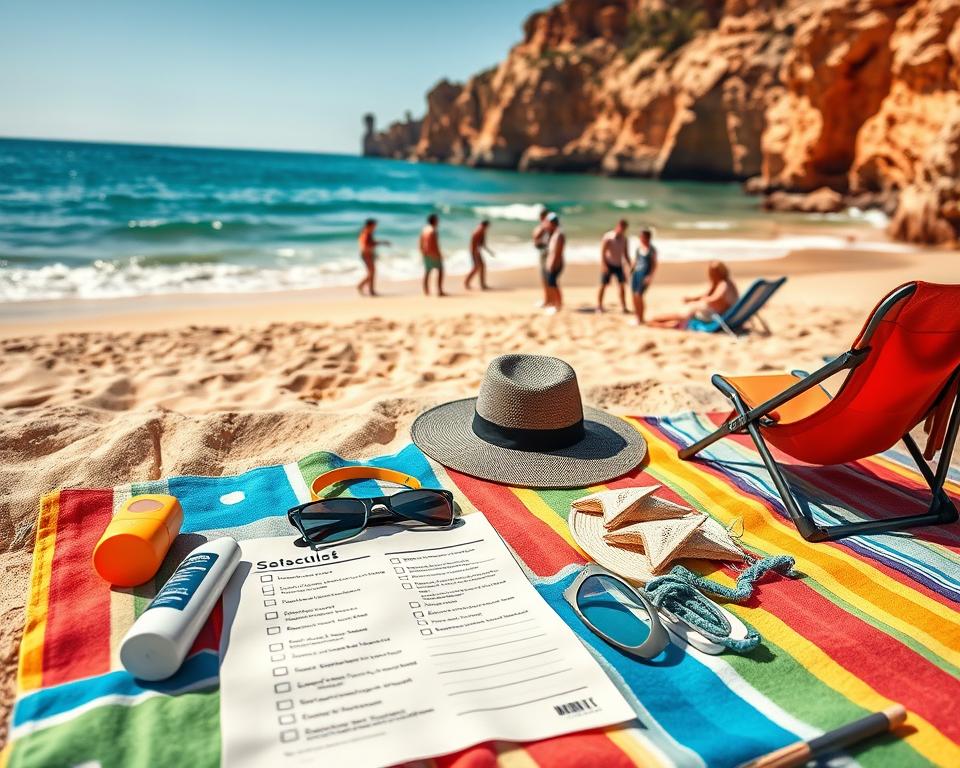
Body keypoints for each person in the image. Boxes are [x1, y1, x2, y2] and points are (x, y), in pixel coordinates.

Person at [649, 260, 739, 329]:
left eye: (712, 274)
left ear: (719, 273)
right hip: (713, 314)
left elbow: (715, 298)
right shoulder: (725, 283)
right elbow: (707, 294)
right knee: (687, 311)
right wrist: (692, 299)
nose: (711, 276)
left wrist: (704, 300)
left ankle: (656, 320)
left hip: (713, 316)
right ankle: (661, 322)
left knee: (684, 314)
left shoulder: (723, 284)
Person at [597, 219, 631, 313]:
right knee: (603, 285)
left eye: (624, 228)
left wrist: (630, 265)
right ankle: (599, 306)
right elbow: (603, 252)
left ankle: (624, 307)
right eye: (621, 227)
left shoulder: (624, 239)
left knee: (621, 286)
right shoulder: (608, 237)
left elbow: (626, 254)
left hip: (618, 265)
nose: (622, 229)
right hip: (608, 263)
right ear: (618, 226)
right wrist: (603, 265)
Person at [631, 227, 658, 324]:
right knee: (634, 296)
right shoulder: (638, 248)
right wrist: (631, 270)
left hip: (645, 275)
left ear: (647, 237)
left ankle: (641, 318)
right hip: (636, 274)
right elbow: (636, 261)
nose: (640, 238)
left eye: (642, 236)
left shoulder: (652, 250)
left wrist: (650, 276)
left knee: (639, 295)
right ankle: (637, 317)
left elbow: (654, 264)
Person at [357, 218, 390, 296]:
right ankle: (362, 286)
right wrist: (380, 243)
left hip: (368, 254)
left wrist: (380, 243)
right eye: (374, 226)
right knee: (371, 273)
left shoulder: (367, 232)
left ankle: (370, 290)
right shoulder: (366, 233)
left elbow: (370, 244)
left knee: (372, 273)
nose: (375, 227)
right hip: (366, 255)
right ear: (370, 225)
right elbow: (365, 245)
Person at [419, 213, 446, 296]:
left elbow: (420, 242)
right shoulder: (433, 230)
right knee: (441, 270)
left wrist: (422, 251)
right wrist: (438, 254)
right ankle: (439, 290)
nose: (438, 221)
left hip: (425, 253)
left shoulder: (424, 230)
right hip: (433, 253)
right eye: (437, 220)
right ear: (434, 221)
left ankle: (426, 291)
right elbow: (434, 244)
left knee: (427, 272)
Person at [543, 212, 565, 314]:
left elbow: (557, 253)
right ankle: (555, 304)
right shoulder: (553, 233)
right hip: (552, 263)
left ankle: (558, 305)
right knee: (552, 284)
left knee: (554, 285)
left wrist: (552, 265)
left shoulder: (559, 235)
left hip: (555, 264)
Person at [465, 220, 494, 290]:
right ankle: (466, 283)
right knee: (476, 268)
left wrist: (489, 252)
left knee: (482, 266)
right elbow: (473, 244)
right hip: (474, 252)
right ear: (484, 226)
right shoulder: (477, 231)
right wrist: (475, 253)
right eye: (487, 227)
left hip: (477, 252)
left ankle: (482, 284)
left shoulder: (482, 232)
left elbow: (483, 244)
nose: (487, 229)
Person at [532, 208, 550, 307]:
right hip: (545, 253)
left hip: (545, 254)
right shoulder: (549, 226)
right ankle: (548, 299)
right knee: (547, 278)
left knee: (545, 278)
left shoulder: (545, 226)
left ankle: (547, 300)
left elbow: (536, 237)